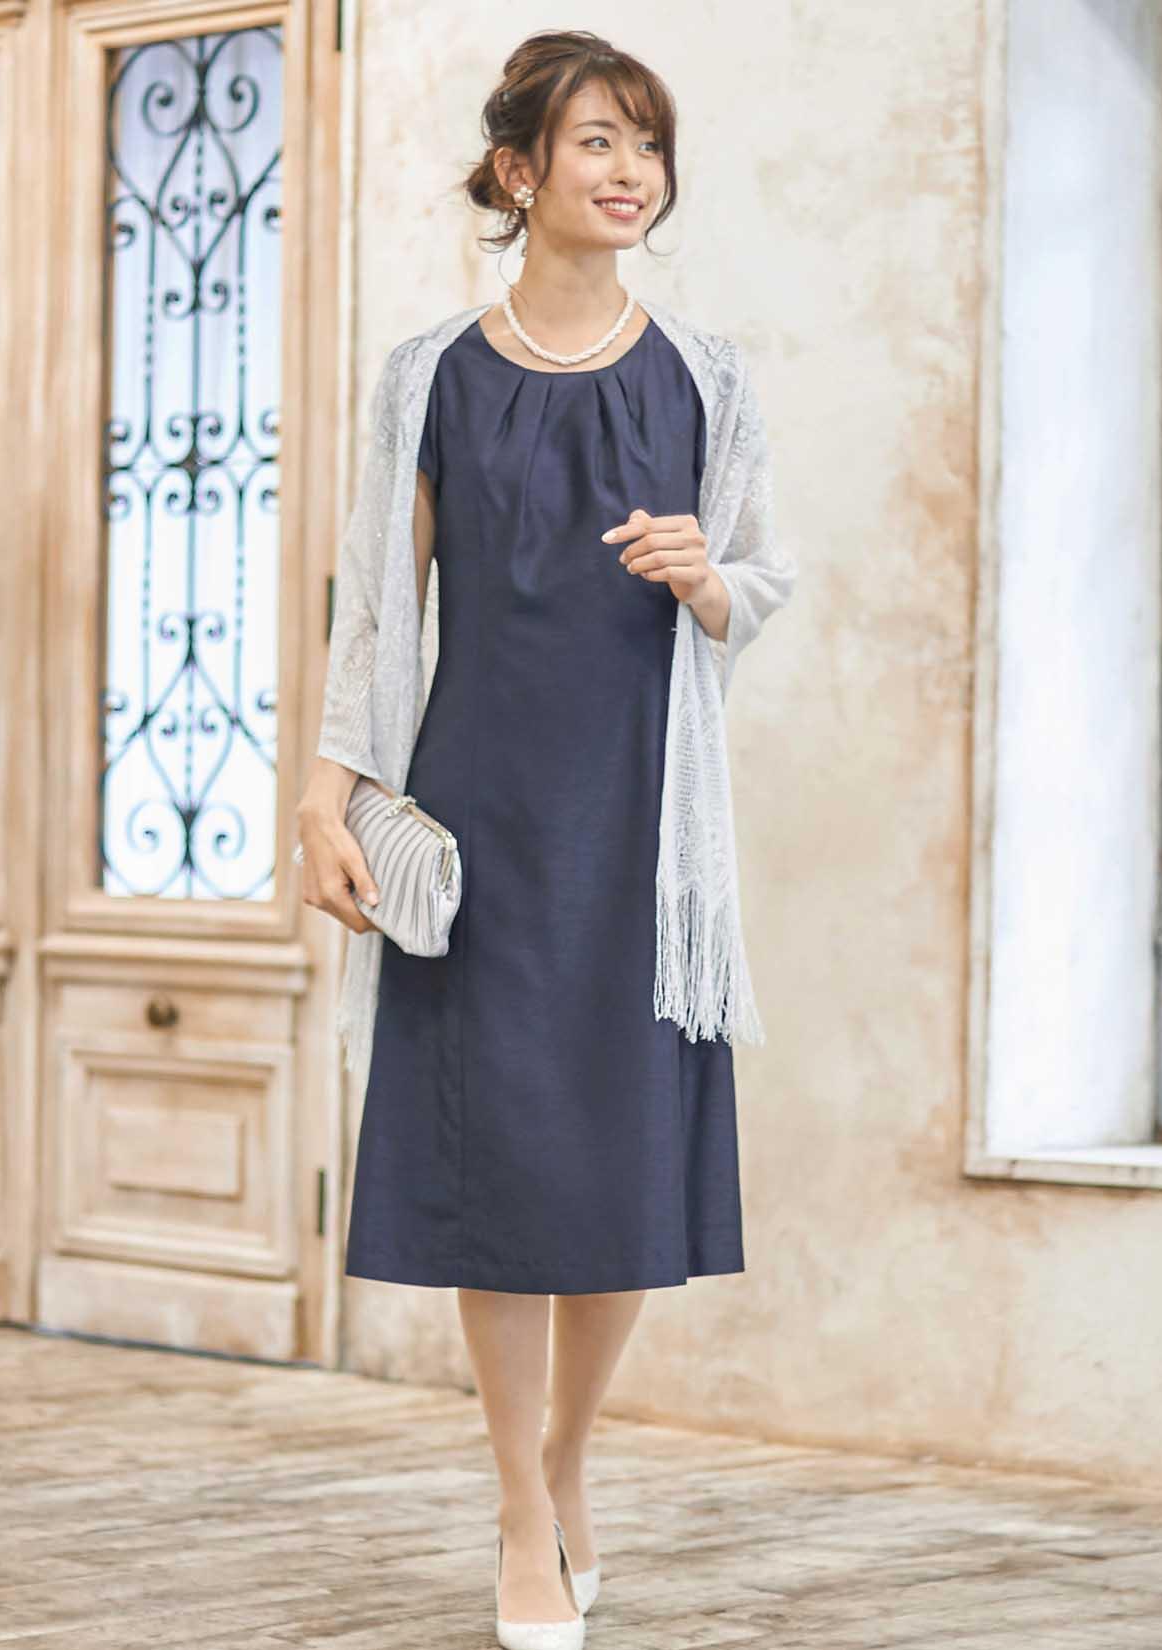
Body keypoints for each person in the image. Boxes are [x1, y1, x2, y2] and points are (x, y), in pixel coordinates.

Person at [295, 29, 795, 1650]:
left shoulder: (705, 377)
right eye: (595, 140)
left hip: (643, 835)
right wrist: (326, 792)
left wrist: (705, 579)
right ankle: (521, 1507)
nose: (629, 170)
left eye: (645, 142)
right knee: (498, 1171)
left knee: (618, 1169)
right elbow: (377, 606)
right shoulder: (429, 376)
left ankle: (571, 1458)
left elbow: (762, 578)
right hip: (481, 824)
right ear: (518, 170)